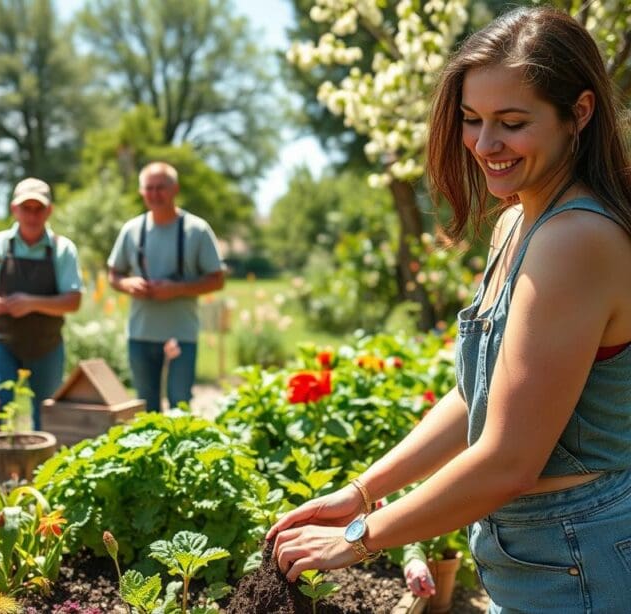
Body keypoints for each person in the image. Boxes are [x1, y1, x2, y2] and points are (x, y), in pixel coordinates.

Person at [267, 7, 631, 612]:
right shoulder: (518, 220)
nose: (485, 145)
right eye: (471, 119)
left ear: (580, 114)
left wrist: (357, 541)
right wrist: (361, 492)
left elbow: (511, 460)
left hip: (577, 555)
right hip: (536, 551)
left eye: (511, 123)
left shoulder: (576, 241)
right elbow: (477, 397)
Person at [107, 161, 225, 412]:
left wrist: (178, 289)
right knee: (145, 408)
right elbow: (113, 275)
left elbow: (217, 279)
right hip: (140, 333)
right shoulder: (132, 230)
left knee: (179, 406)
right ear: (141, 192)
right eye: (149, 188)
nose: (155, 194)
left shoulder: (197, 230)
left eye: (161, 187)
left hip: (181, 333)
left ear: (175, 189)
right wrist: (128, 283)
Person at [0, 177, 83, 431]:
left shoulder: (63, 249)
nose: (32, 215)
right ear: (14, 209)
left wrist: (31, 303)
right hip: (1, 342)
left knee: (47, 416)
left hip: (47, 345)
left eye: (39, 208)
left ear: (49, 211)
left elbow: (73, 301)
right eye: (26, 208)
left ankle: (41, 469)